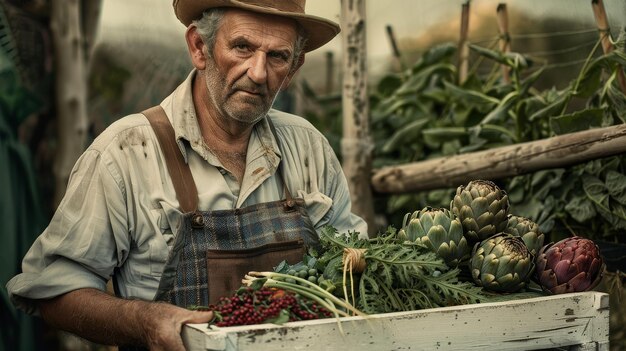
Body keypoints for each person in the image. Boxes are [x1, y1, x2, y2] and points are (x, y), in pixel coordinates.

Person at [6, 0, 367, 349]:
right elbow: (55, 289)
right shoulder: (125, 152)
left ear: (294, 68)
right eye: (242, 47)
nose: (258, 73)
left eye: (278, 56)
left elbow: (354, 262)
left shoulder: (309, 149)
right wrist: (144, 322)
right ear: (199, 47)